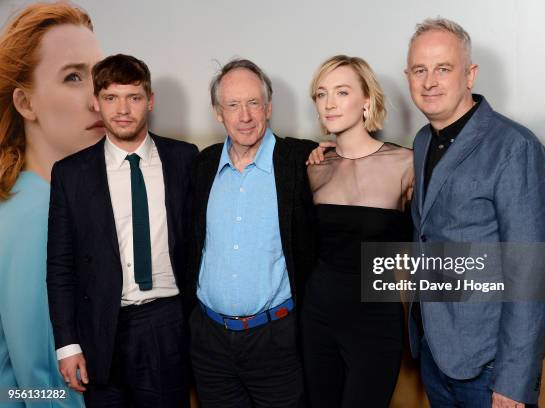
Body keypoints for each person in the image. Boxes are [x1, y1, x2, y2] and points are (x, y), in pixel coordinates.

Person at [406, 18, 545, 408]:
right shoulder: (423, 141)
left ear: (470, 74)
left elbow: (531, 273)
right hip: (438, 358)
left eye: (443, 68)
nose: (429, 82)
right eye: (419, 70)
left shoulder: (514, 148)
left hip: (490, 370)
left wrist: (514, 382)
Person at [46, 54, 197, 407]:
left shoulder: (185, 159)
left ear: (150, 100)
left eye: (134, 97)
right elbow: (60, 267)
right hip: (101, 326)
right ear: (96, 103)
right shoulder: (71, 174)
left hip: (168, 323)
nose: (123, 109)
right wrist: (68, 345)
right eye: (111, 98)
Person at [185, 59, 317, 407]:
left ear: (268, 107)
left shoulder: (300, 160)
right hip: (210, 343)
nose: (244, 116)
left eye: (253, 103)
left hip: (275, 340)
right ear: (218, 112)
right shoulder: (202, 165)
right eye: (232, 105)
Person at [0, 3, 104, 406]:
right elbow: (49, 387)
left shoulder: (26, 199)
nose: (100, 99)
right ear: (26, 104)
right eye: (73, 77)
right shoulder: (42, 218)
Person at [302, 55, 414, 408]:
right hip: (317, 315)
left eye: (342, 92)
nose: (330, 103)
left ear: (367, 101)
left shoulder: (406, 164)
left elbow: (428, 247)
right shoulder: (311, 167)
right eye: (321, 94)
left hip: (376, 319)